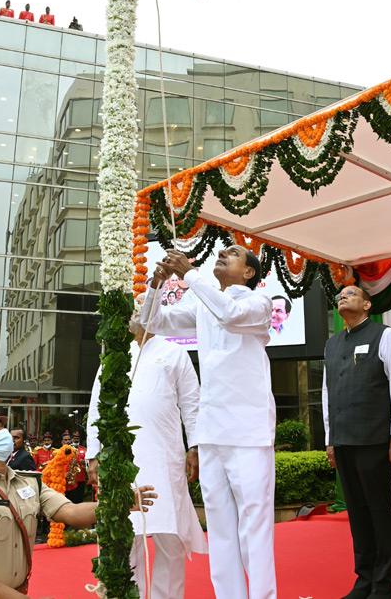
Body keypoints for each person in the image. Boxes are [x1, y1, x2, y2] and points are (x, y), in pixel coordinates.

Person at [140, 244, 278, 599]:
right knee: (219, 530)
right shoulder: (203, 302)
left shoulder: (257, 304)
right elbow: (152, 323)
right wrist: (156, 285)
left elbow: (229, 314)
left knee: (254, 528)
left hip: (248, 432)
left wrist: (188, 274)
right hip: (212, 432)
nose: (222, 252)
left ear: (249, 273)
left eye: (232, 253)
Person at [87, 299, 206, 599]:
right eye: (132, 307)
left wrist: (195, 447)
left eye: (141, 304)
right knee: (127, 537)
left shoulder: (174, 351)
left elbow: (192, 403)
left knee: (170, 537)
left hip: (166, 457)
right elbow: (97, 408)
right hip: (120, 460)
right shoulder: (114, 355)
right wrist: (93, 454)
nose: (134, 311)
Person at [324, 284, 391, 599]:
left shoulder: (383, 335)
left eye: (351, 293)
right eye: (340, 296)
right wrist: (329, 440)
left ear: (366, 304)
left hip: (375, 438)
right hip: (343, 439)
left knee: (378, 509)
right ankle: (364, 580)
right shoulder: (332, 344)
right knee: (357, 512)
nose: (343, 297)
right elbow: (327, 394)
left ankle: (384, 585)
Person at [0, 428, 157, 594]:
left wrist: (119, 503)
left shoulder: (29, 483)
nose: (4, 435)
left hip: (21, 590)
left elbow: (70, 511)